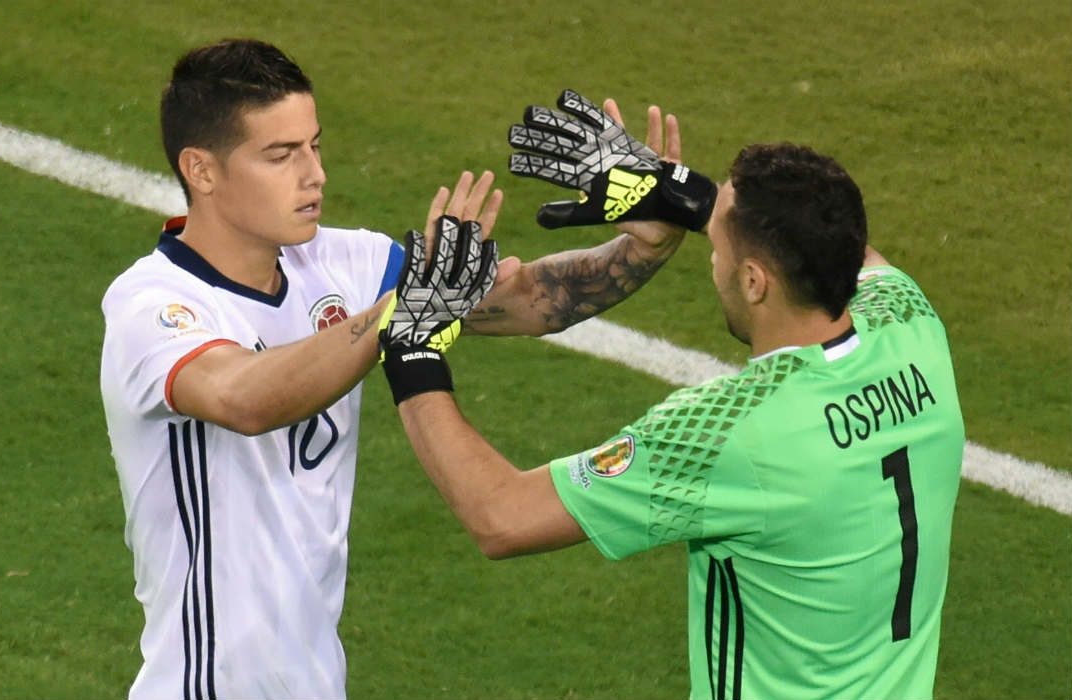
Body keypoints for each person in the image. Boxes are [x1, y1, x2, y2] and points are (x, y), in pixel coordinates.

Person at [98, 42, 689, 699]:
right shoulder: (152, 306)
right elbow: (243, 396)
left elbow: (527, 301)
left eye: (314, 145)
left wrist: (645, 245)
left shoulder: (346, 265)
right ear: (201, 171)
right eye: (281, 155)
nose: (314, 174)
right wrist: (398, 311)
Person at [384, 91, 965, 699]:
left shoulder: (729, 431)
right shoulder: (909, 323)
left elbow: (500, 516)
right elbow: (850, 247)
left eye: (719, 248)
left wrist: (413, 351)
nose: (712, 259)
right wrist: (683, 192)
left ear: (753, 282)